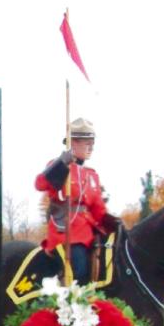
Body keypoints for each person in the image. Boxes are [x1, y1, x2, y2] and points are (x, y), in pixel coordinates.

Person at [35, 117, 120, 285]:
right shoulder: (59, 166)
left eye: (92, 141)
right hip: (65, 232)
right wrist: (61, 163)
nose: (91, 147)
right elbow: (40, 184)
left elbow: (98, 210)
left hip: (89, 232)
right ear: (73, 142)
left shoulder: (91, 175)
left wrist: (115, 224)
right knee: (79, 270)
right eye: (87, 142)